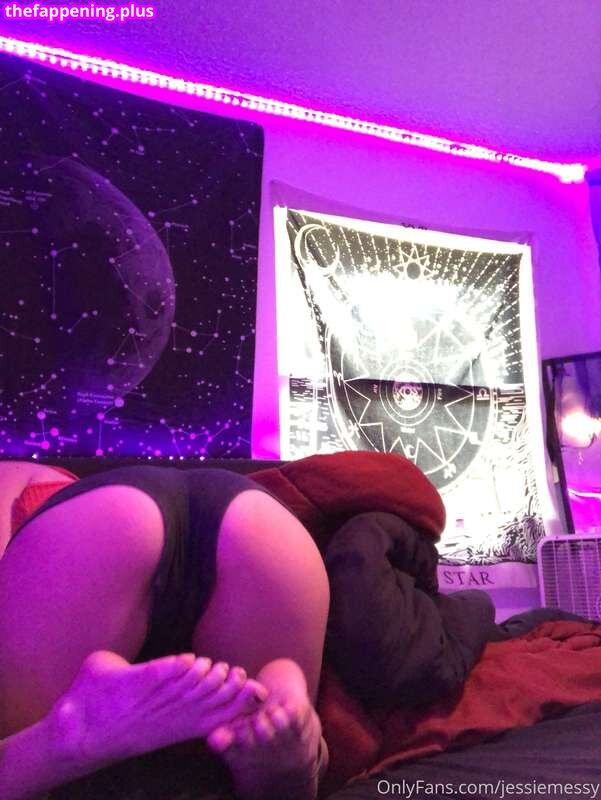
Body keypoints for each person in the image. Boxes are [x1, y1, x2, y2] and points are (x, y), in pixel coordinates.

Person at [0, 459, 330, 800]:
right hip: (267, 530)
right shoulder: (29, 474)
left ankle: (61, 740)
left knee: (16, 753)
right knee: (274, 735)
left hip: (99, 532)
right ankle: (297, 755)